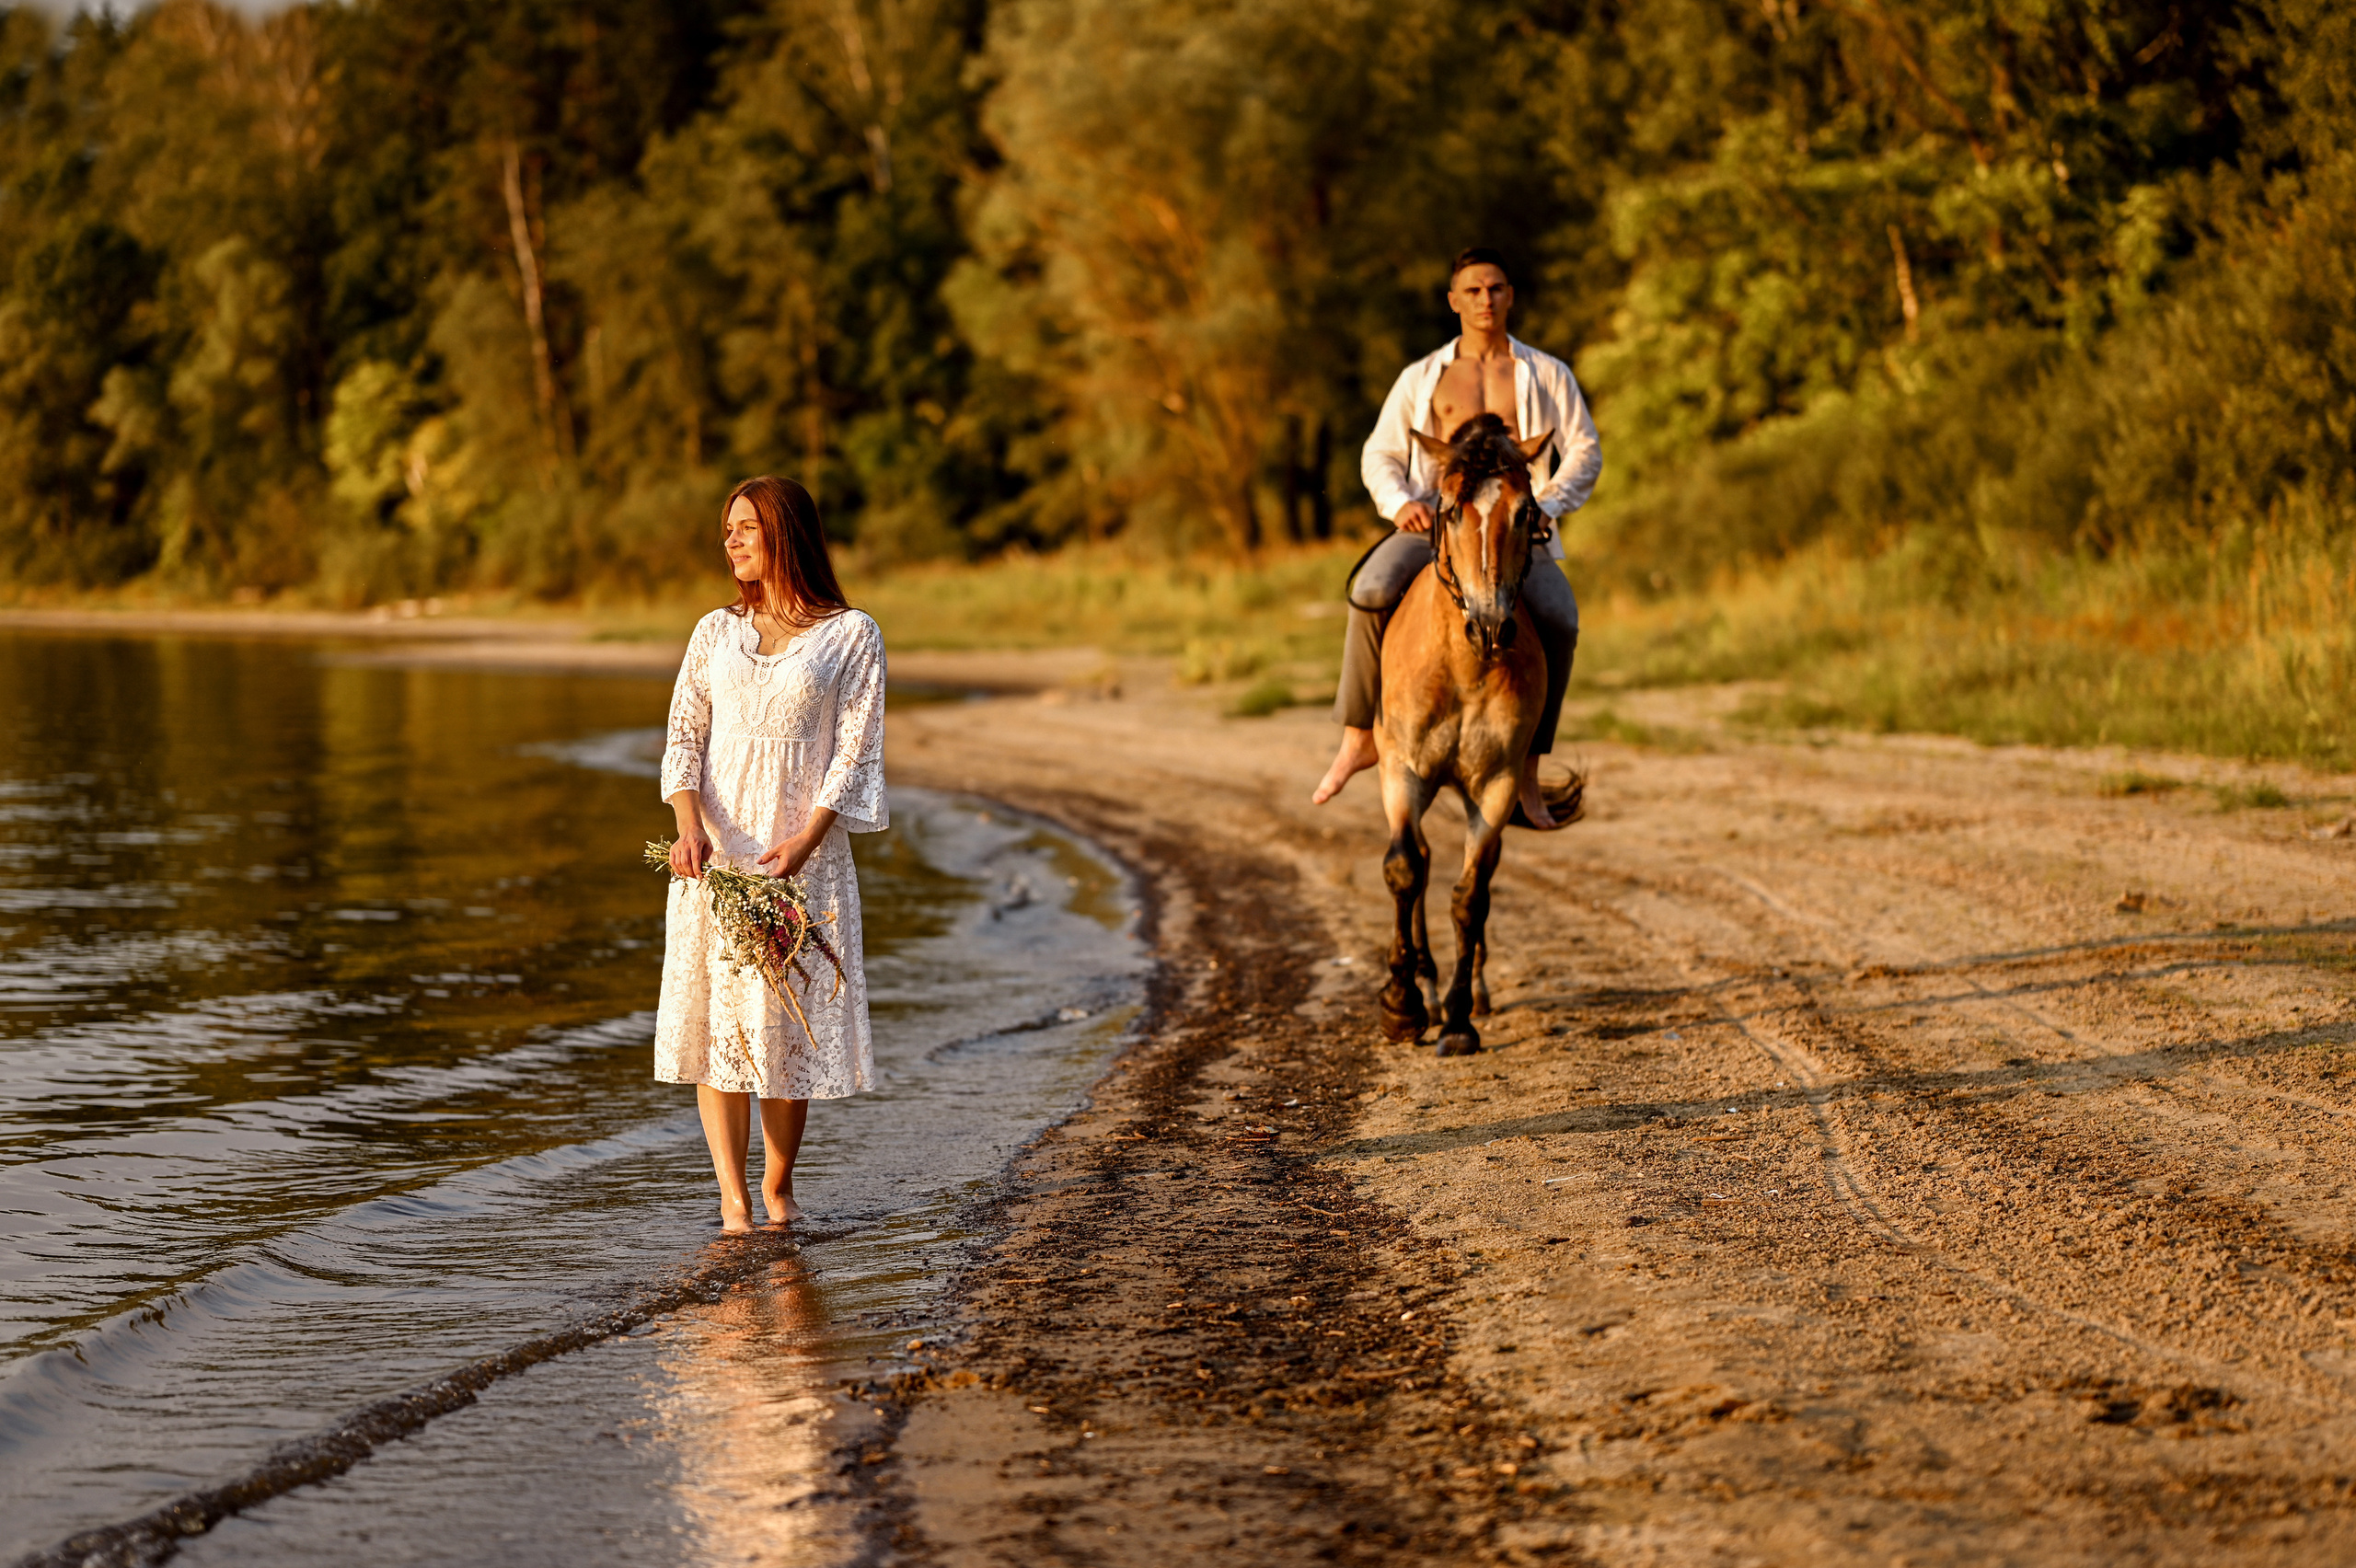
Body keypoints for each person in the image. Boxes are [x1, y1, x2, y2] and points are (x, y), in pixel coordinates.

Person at [656, 475, 887, 1230]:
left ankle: (779, 1189)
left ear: (786, 532)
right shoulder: (713, 633)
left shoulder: (852, 636)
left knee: (785, 1030)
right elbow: (684, 737)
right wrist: (689, 827)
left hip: (800, 859)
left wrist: (809, 837)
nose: (731, 541)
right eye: (726, 529)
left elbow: (853, 756)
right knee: (717, 1025)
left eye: (746, 527)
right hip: (715, 861)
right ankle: (732, 1203)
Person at [1311, 248, 1600, 827]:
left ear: (1510, 295)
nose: (1485, 300)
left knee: (1561, 617)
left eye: (1495, 289)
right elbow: (1380, 453)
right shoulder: (1422, 378)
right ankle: (1357, 737)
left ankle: (1527, 764)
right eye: (1472, 291)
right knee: (1369, 589)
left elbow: (1585, 449)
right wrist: (1400, 505)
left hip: (1517, 529)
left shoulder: (1547, 374)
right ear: (1453, 301)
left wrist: (1546, 504)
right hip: (1438, 526)